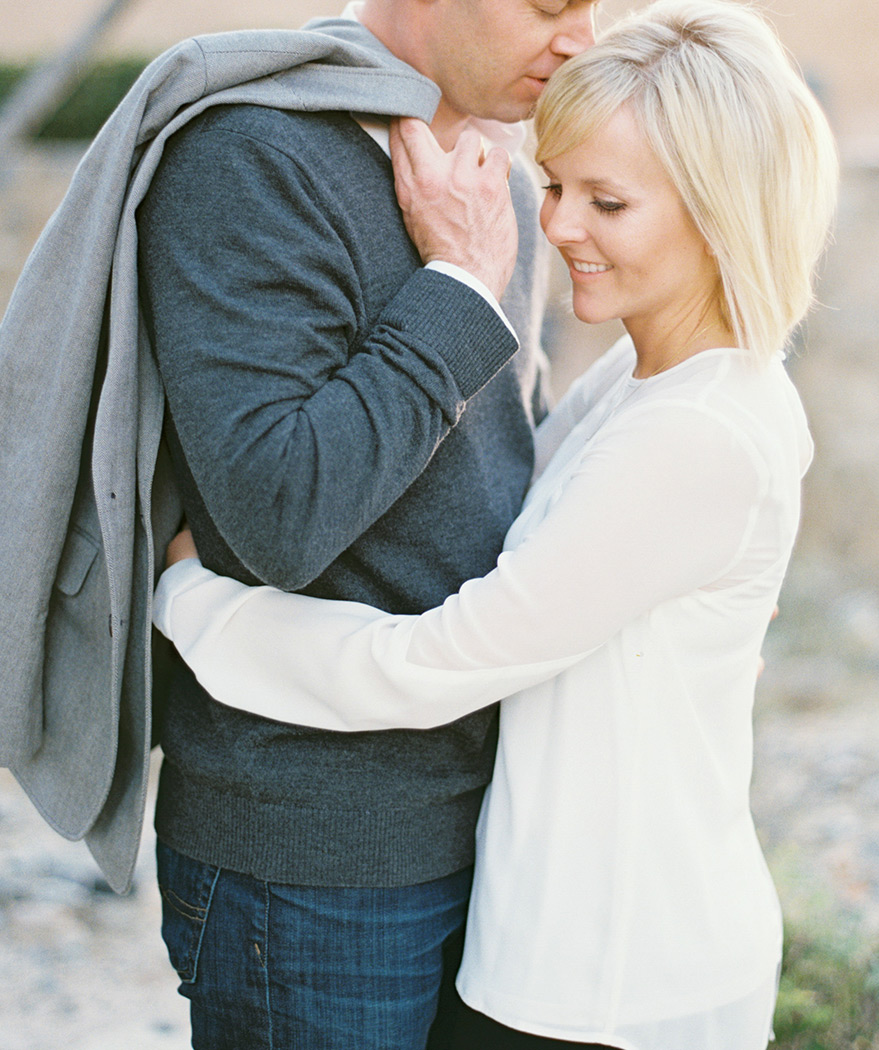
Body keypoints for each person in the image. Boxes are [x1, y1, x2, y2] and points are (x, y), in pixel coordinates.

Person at [153, 1, 839, 1048]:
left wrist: (190, 601)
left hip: (612, 973)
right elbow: (542, 547)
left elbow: (444, 656)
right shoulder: (632, 380)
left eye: (603, 200)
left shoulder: (698, 427)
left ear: (719, 211)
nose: (554, 223)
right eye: (558, 187)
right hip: (520, 931)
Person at [134, 0, 599, 1047]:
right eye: (548, 4)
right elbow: (279, 517)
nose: (580, 38)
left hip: (488, 820)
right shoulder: (252, 153)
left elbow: (497, 474)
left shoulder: (501, 176)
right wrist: (458, 288)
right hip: (311, 853)